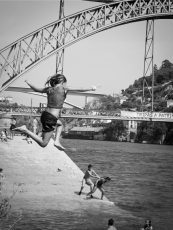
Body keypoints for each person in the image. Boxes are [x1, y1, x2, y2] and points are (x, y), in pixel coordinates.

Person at [13, 73, 99, 150]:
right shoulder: (63, 88)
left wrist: (29, 83)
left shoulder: (49, 89)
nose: (65, 84)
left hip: (45, 115)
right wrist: (92, 88)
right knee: (43, 143)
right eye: (65, 83)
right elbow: (81, 88)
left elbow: (36, 89)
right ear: (62, 82)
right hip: (50, 118)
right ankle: (25, 130)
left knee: (60, 124)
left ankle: (57, 141)